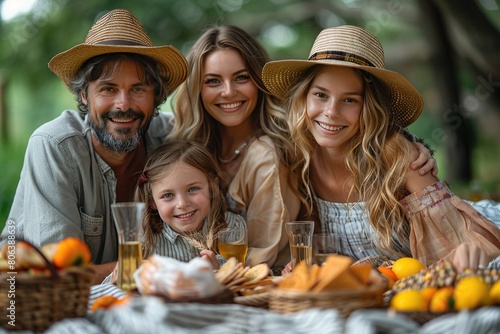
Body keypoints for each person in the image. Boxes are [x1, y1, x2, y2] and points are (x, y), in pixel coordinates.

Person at [168, 25, 438, 274]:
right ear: (196, 89)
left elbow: (354, 126)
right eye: (213, 81)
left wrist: (412, 144)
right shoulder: (185, 147)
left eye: (241, 77)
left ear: (259, 82)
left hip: (257, 273)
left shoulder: (280, 145)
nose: (228, 92)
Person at [261, 25, 500, 273]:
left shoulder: (400, 156)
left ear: (369, 107)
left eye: (350, 100)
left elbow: (460, 243)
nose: (331, 112)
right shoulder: (299, 158)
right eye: (321, 95)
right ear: (304, 97)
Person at [1, 9, 189, 283]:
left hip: (144, 297)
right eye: (108, 89)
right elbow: (60, 276)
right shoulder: (55, 146)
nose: (124, 104)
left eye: (138, 89)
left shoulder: (174, 141)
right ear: (84, 96)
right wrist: (154, 268)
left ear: (156, 96)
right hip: (36, 305)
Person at [134, 140, 246, 269]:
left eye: (192, 189)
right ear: (153, 201)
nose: (182, 204)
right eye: (168, 195)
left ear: (212, 187)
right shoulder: (145, 235)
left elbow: (241, 276)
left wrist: (219, 272)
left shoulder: (232, 226)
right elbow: (116, 282)